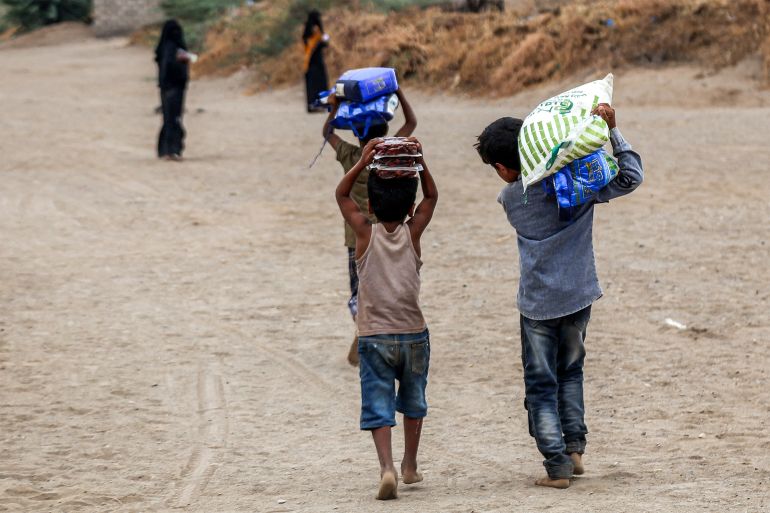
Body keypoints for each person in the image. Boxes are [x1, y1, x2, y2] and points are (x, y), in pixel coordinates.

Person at [475, 104, 643, 488]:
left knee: (540, 385)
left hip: (537, 306)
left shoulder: (510, 199)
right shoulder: (577, 185)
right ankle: (575, 449)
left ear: (502, 168)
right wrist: (612, 131)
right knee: (571, 372)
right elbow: (631, 176)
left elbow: (523, 188)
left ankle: (557, 465)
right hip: (579, 296)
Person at [335, 136, 438, 500]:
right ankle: (410, 464)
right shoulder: (413, 232)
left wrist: (362, 162)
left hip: (373, 336)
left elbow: (341, 195)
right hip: (413, 334)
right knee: (413, 401)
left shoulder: (364, 234)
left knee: (378, 403)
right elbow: (431, 197)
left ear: (370, 205)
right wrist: (419, 161)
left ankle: (387, 468)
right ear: (410, 207)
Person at [322, 89, 417, 366]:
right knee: (388, 284)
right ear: (386, 128)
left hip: (357, 236)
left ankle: (362, 324)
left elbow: (327, 133)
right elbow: (411, 123)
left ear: (356, 133)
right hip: (389, 232)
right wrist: (398, 91)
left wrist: (335, 106)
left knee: (358, 289)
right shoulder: (389, 154)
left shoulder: (350, 154)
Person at [155, 19, 191, 161]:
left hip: (167, 88)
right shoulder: (172, 49)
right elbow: (171, 67)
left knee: (169, 119)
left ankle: (165, 150)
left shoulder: (164, 47)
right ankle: (172, 150)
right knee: (174, 119)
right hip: (174, 88)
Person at [303, 10, 330, 112]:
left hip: (309, 63)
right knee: (320, 84)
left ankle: (312, 105)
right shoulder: (317, 31)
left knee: (311, 85)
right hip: (317, 62)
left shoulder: (307, 32)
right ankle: (321, 104)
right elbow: (324, 44)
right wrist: (324, 39)